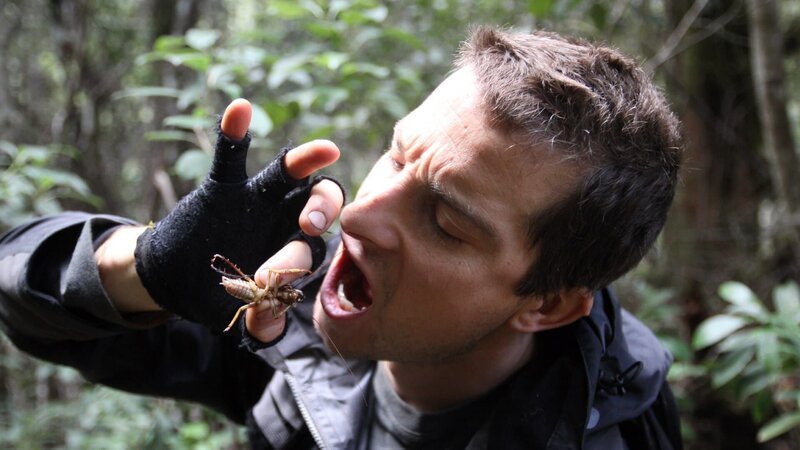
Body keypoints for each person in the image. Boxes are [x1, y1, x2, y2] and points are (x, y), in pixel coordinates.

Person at [0, 27, 683, 449]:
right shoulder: (291, 323)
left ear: (547, 305)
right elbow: (27, 306)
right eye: (395, 154)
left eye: (445, 223)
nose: (357, 217)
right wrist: (143, 271)